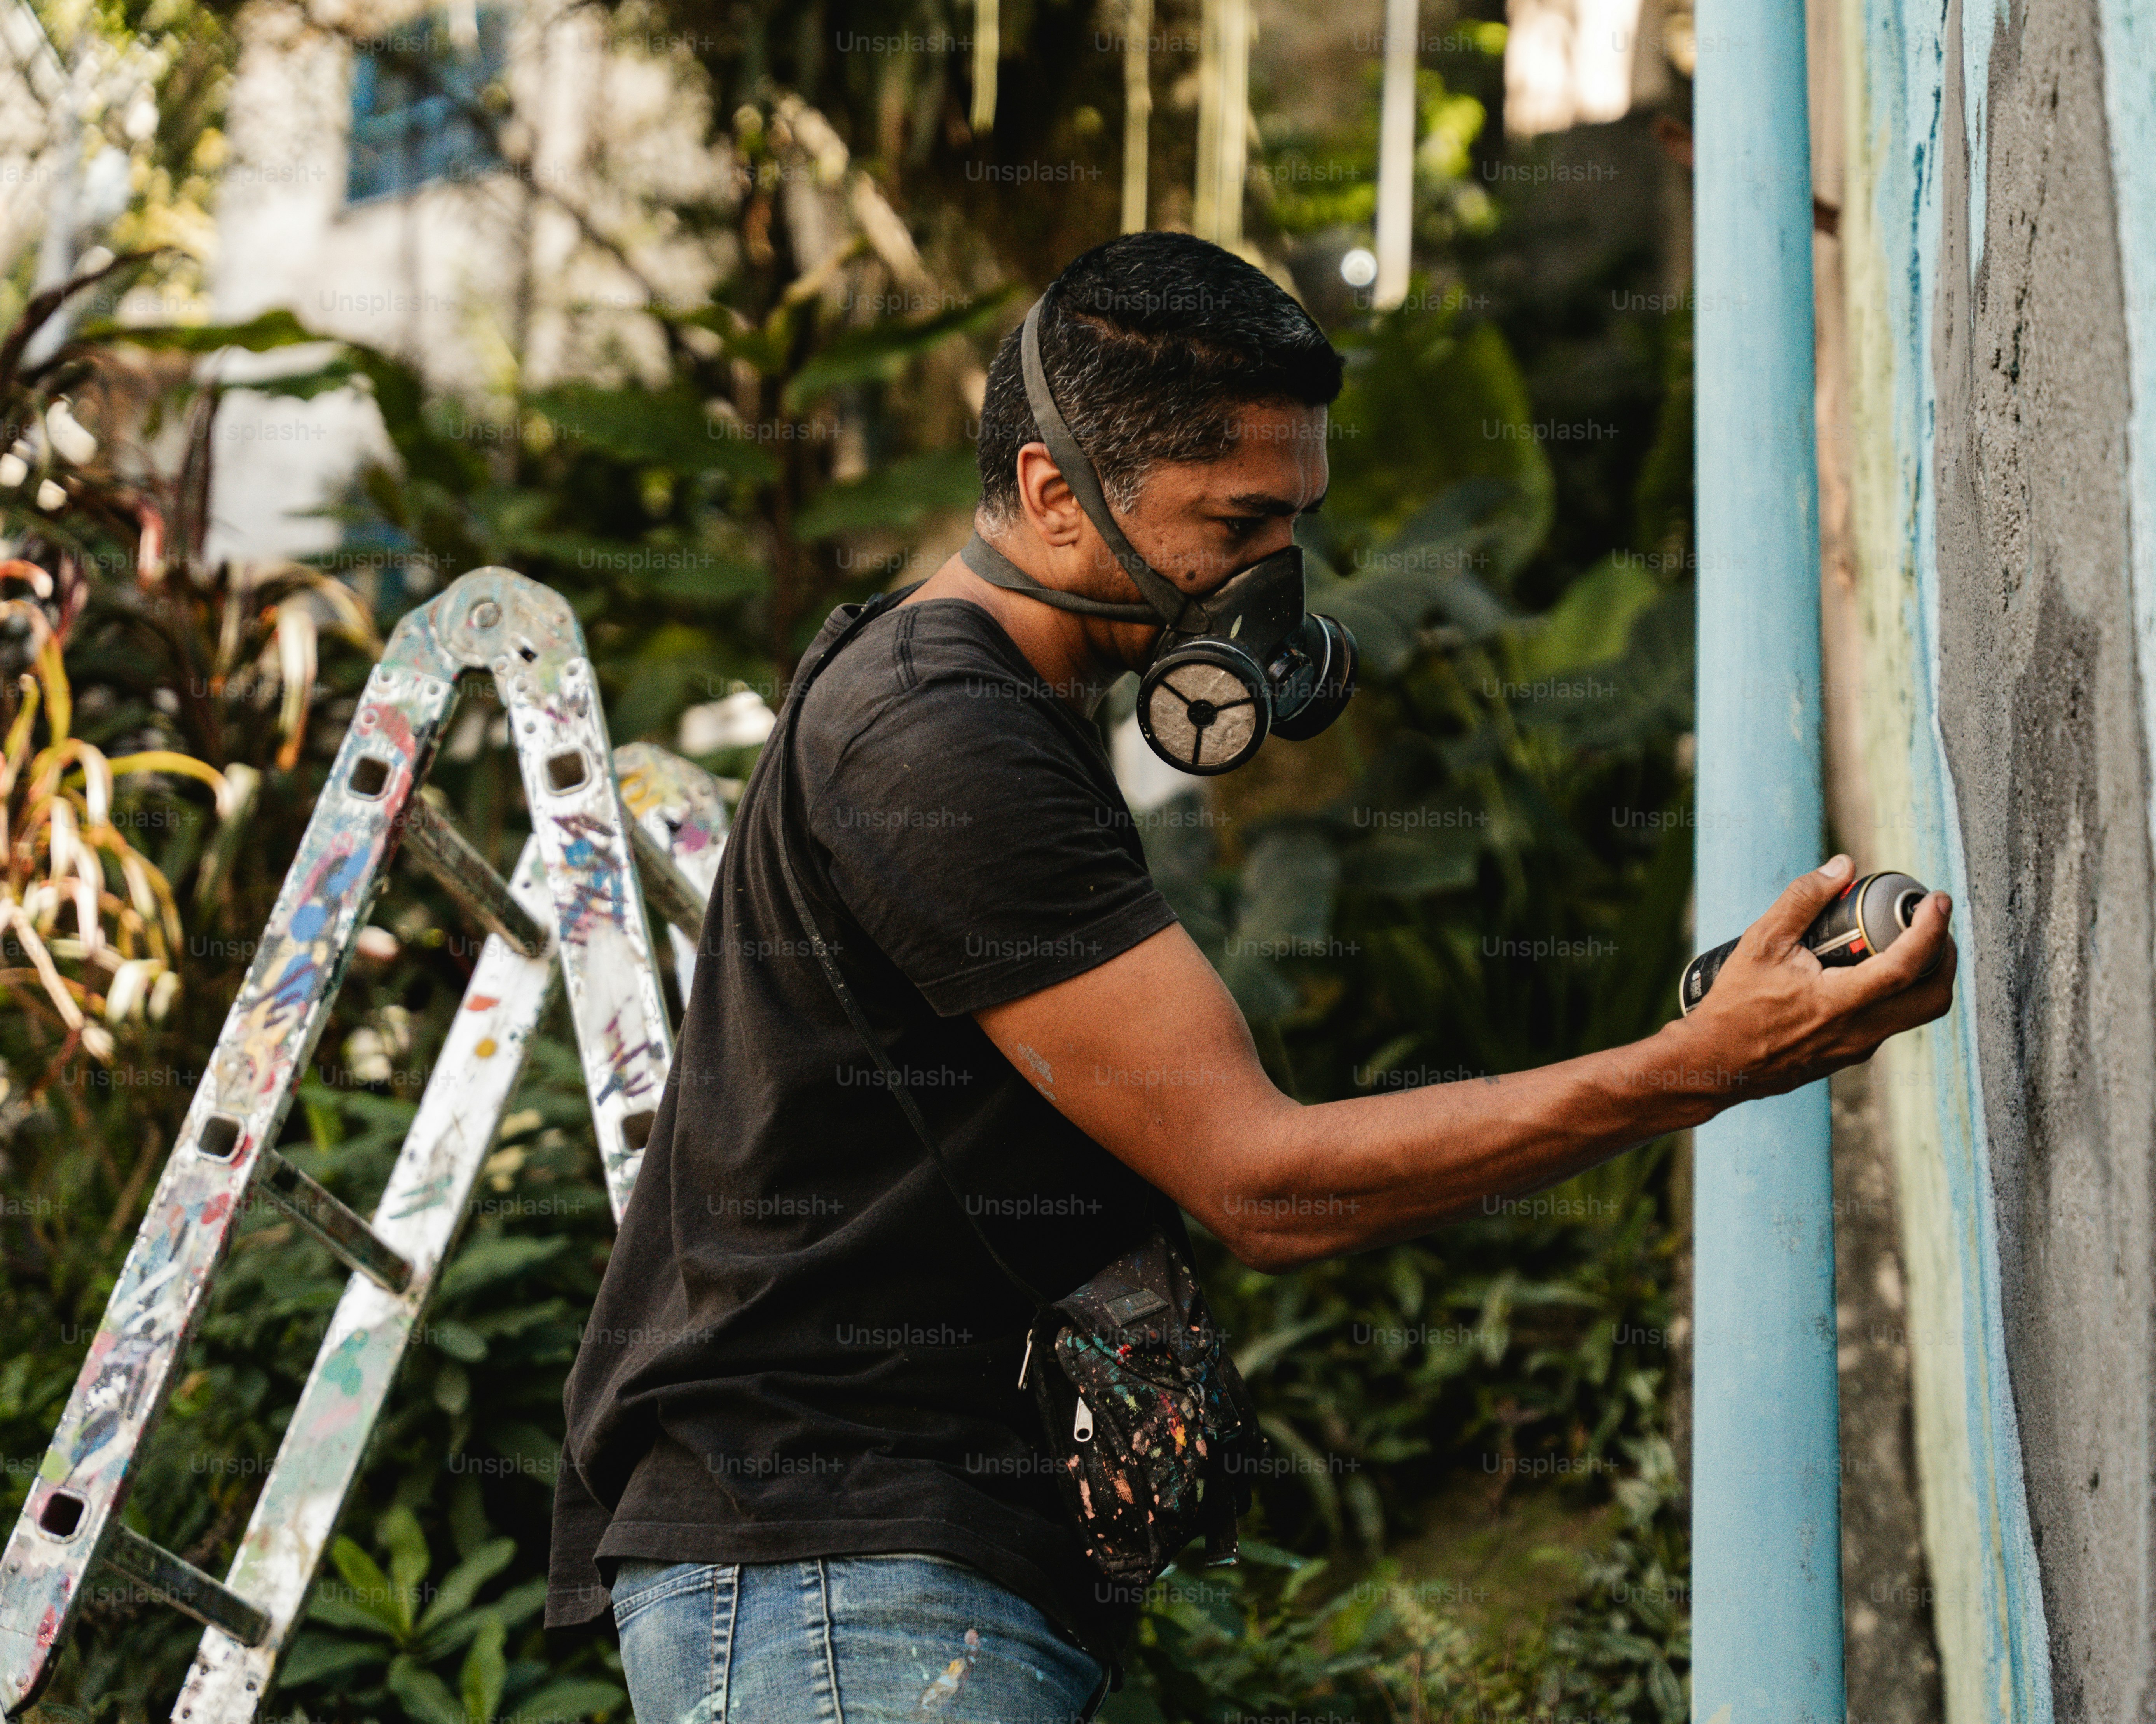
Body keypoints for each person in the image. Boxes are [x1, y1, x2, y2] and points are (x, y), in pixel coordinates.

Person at [545, 230, 1957, 1724]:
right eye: (1237, 521)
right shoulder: (937, 738)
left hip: (893, 1569)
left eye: (1298, 522)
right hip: (841, 1572)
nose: (1275, 577)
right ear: (1048, 493)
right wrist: (1702, 1068)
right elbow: (1263, 1179)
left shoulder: (989, 712)